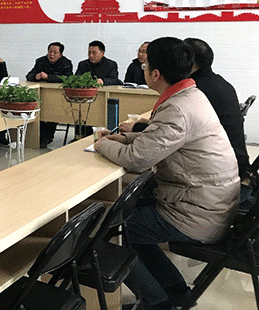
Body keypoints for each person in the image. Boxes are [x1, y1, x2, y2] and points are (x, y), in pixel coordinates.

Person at [95, 37, 239, 310]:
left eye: (146, 65)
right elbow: (156, 139)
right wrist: (122, 139)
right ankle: (175, 291)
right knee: (128, 219)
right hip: (207, 203)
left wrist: (101, 144)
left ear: (155, 74)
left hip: (199, 214)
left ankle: (156, 302)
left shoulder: (178, 108)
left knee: (114, 228)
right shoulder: (190, 95)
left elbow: (136, 159)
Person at [185, 38, 250, 182]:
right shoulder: (221, 82)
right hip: (238, 164)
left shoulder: (196, 90)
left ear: (189, 62)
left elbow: (178, 132)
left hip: (221, 171)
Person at [26, 42, 73, 147]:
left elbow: (68, 78)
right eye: (50, 51)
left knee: (53, 112)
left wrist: (49, 77)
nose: (51, 54)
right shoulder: (41, 61)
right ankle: (39, 136)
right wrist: (36, 76)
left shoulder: (66, 63)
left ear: (60, 54)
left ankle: (48, 137)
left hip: (58, 96)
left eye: (55, 52)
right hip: (42, 95)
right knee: (40, 112)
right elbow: (29, 75)